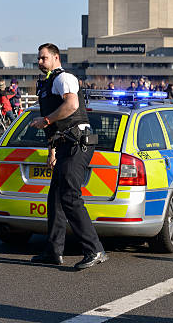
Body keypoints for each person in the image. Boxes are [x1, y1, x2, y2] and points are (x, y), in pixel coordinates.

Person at [30, 43, 107, 270]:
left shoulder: (64, 78)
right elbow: (54, 123)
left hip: (77, 145)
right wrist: (51, 150)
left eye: (44, 58)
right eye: (39, 58)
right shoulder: (46, 85)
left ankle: (95, 249)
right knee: (55, 197)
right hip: (64, 145)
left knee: (70, 197)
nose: (40, 62)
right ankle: (53, 251)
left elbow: (71, 105)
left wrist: (45, 121)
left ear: (56, 57)